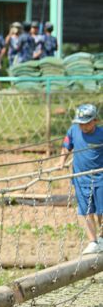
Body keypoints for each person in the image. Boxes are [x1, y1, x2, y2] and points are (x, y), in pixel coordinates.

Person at [59, 104, 102, 254]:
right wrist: (61, 161)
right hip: (80, 178)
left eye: (87, 123)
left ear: (95, 120)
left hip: (100, 178)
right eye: (80, 123)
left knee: (101, 211)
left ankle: (102, 237)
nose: (83, 126)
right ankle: (93, 241)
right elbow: (66, 147)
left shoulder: (101, 134)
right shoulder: (73, 131)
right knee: (85, 210)